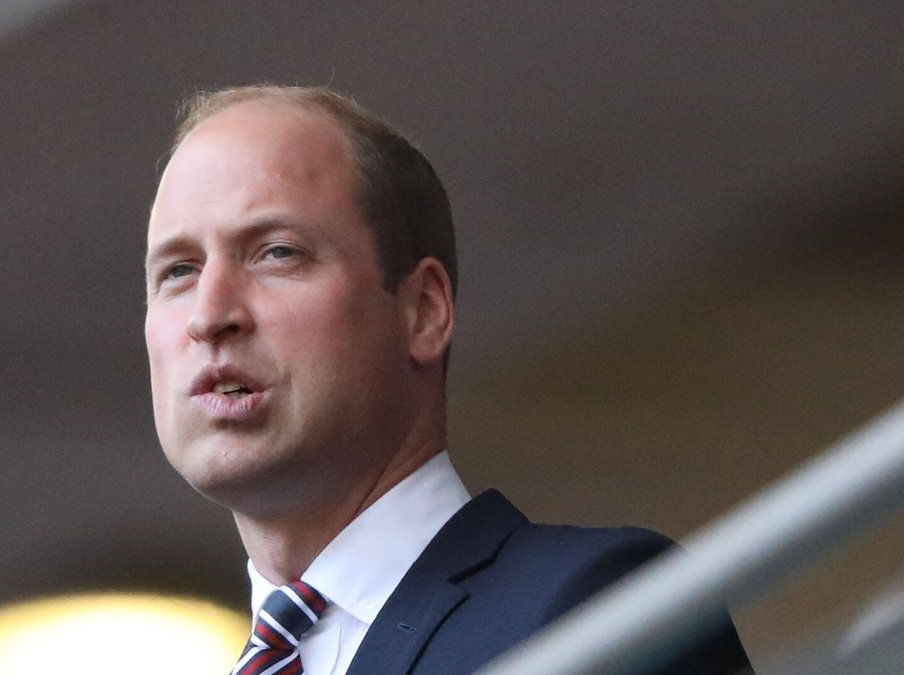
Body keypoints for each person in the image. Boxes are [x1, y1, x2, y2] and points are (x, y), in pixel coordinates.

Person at [143, 84, 751, 674]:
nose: (209, 314)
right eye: (178, 271)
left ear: (424, 311)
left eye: (277, 252)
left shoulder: (593, 606)